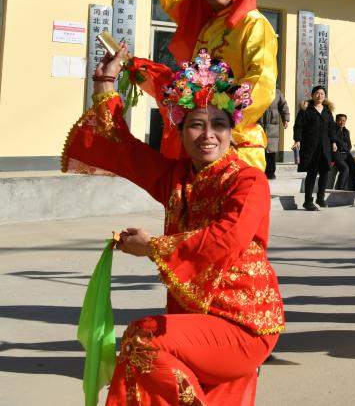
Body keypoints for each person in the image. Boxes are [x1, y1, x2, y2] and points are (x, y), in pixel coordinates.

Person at [62, 46, 283, 404]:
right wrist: (104, 79)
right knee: (140, 358)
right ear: (180, 131)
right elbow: (121, 146)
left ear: (232, 131)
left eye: (219, 124)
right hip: (196, 318)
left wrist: (152, 247)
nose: (207, 134)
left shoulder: (248, 181)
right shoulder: (177, 178)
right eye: (196, 124)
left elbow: (224, 239)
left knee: (142, 339)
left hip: (242, 324)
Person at [146, 0, 278, 170]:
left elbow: (261, 81)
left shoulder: (253, 23)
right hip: (201, 142)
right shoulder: (206, 22)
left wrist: (222, 122)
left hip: (237, 145)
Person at [292, 85, 337, 210]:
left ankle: (320, 198)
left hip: (324, 147)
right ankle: (307, 201)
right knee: (311, 174)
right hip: (310, 147)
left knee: (324, 173)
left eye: (322, 93)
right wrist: (297, 140)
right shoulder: (306, 110)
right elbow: (298, 126)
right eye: (317, 93)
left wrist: (334, 141)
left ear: (325, 96)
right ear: (312, 95)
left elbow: (332, 128)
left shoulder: (327, 111)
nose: (319, 95)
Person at [260, 85, 289, 180]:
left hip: (273, 125)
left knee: (271, 151)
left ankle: (271, 172)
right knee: (260, 150)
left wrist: (286, 119)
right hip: (259, 125)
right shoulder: (258, 90)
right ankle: (260, 172)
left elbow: (283, 106)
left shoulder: (277, 92)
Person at [332, 113, 355, 190]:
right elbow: (337, 143)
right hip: (337, 154)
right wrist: (343, 146)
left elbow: (349, 145)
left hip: (346, 154)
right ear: (336, 121)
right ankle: (341, 189)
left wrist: (345, 147)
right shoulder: (333, 131)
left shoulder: (346, 131)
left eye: (344, 120)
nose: (342, 122)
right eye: (340, 120)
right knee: (345, 168)